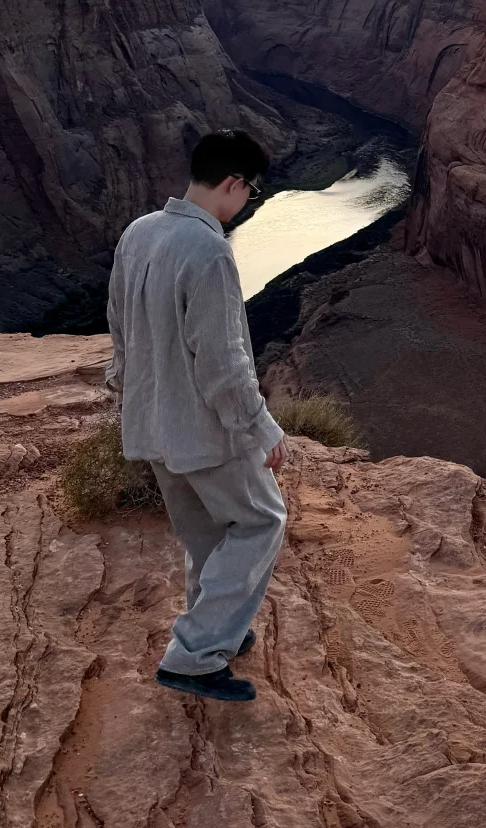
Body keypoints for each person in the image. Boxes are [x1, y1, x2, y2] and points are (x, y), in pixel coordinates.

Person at [105, 129, 289, 703]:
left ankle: (217, 630)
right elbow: (224, 362)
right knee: (262, 521)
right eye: (251, 192)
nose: (247, 204)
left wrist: (127, 395)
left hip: (151, 426)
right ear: (233, 183)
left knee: (207, 533)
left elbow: (118, 327)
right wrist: (262, 429)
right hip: (206, 432)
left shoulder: (139, 232)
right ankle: (194, 656)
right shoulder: (209, 251)